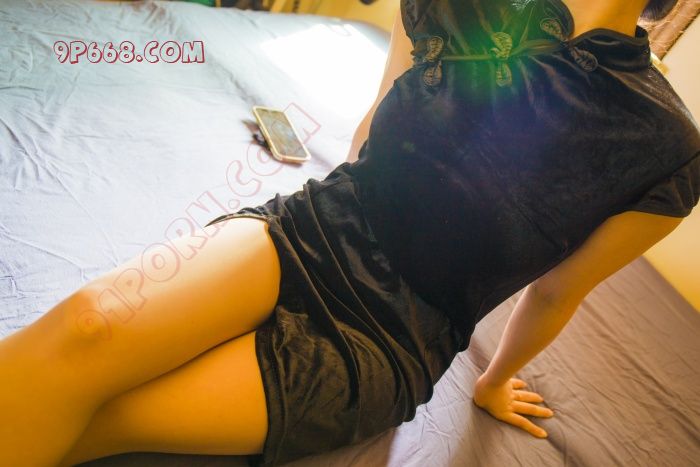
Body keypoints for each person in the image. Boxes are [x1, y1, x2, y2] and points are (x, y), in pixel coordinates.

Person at [1, 0, 698, 466]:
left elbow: (556, 292)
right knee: (90, 324)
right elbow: (369, 137)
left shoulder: (666, 143)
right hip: (312, 228)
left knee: (116, 416)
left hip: (388, 339)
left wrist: (492, 383)